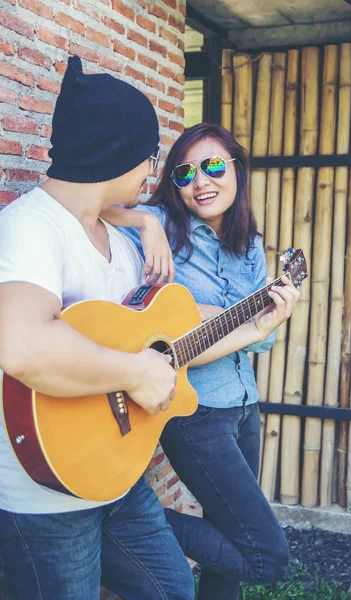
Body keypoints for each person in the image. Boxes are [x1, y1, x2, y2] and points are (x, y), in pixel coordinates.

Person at [0, 56, 194, 600]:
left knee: (172, 590)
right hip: (47, 499)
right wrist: (136, 372)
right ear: (120, 156)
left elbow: (139, 334)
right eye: (149, 160)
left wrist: (251, 321)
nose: (149, 175)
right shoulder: (28, 229)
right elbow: (23, 345)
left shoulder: (122, 241)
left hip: (116, 477)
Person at [102, 122, 299, 600]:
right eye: (185, 173)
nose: (201, 181)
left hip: (244, 405)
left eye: (213, 166)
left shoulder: (247, 244)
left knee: (229, 543)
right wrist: (145, 223)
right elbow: (97, 206)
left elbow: (261, 342)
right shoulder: (160, 226)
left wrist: (258, 326)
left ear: (236, 169)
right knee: (264, 556)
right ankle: (110, 526)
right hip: (193, 412)